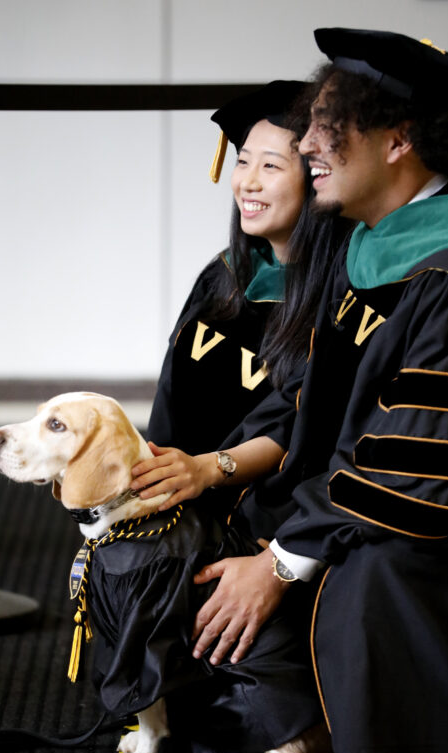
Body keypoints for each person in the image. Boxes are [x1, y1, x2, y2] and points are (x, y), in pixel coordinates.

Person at [188, 28, 448, 753]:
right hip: (362, 493)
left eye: (329, 124)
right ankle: (300, 737)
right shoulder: (371, 242)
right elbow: (306, 396)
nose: (308, 144)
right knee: (202, 530)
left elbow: (423, 457)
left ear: (398, 141)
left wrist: (285, 561)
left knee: (366, 570)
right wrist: (212, 467)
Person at [134, 81, 347, 523]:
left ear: (318, 179)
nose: (247, 182)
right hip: (181, 501)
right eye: (244, 161)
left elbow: (304, 431)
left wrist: (209, 470)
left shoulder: (342, 296)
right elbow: (170, 399)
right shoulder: (225, 274)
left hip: (270, 525)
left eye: (271, 166)